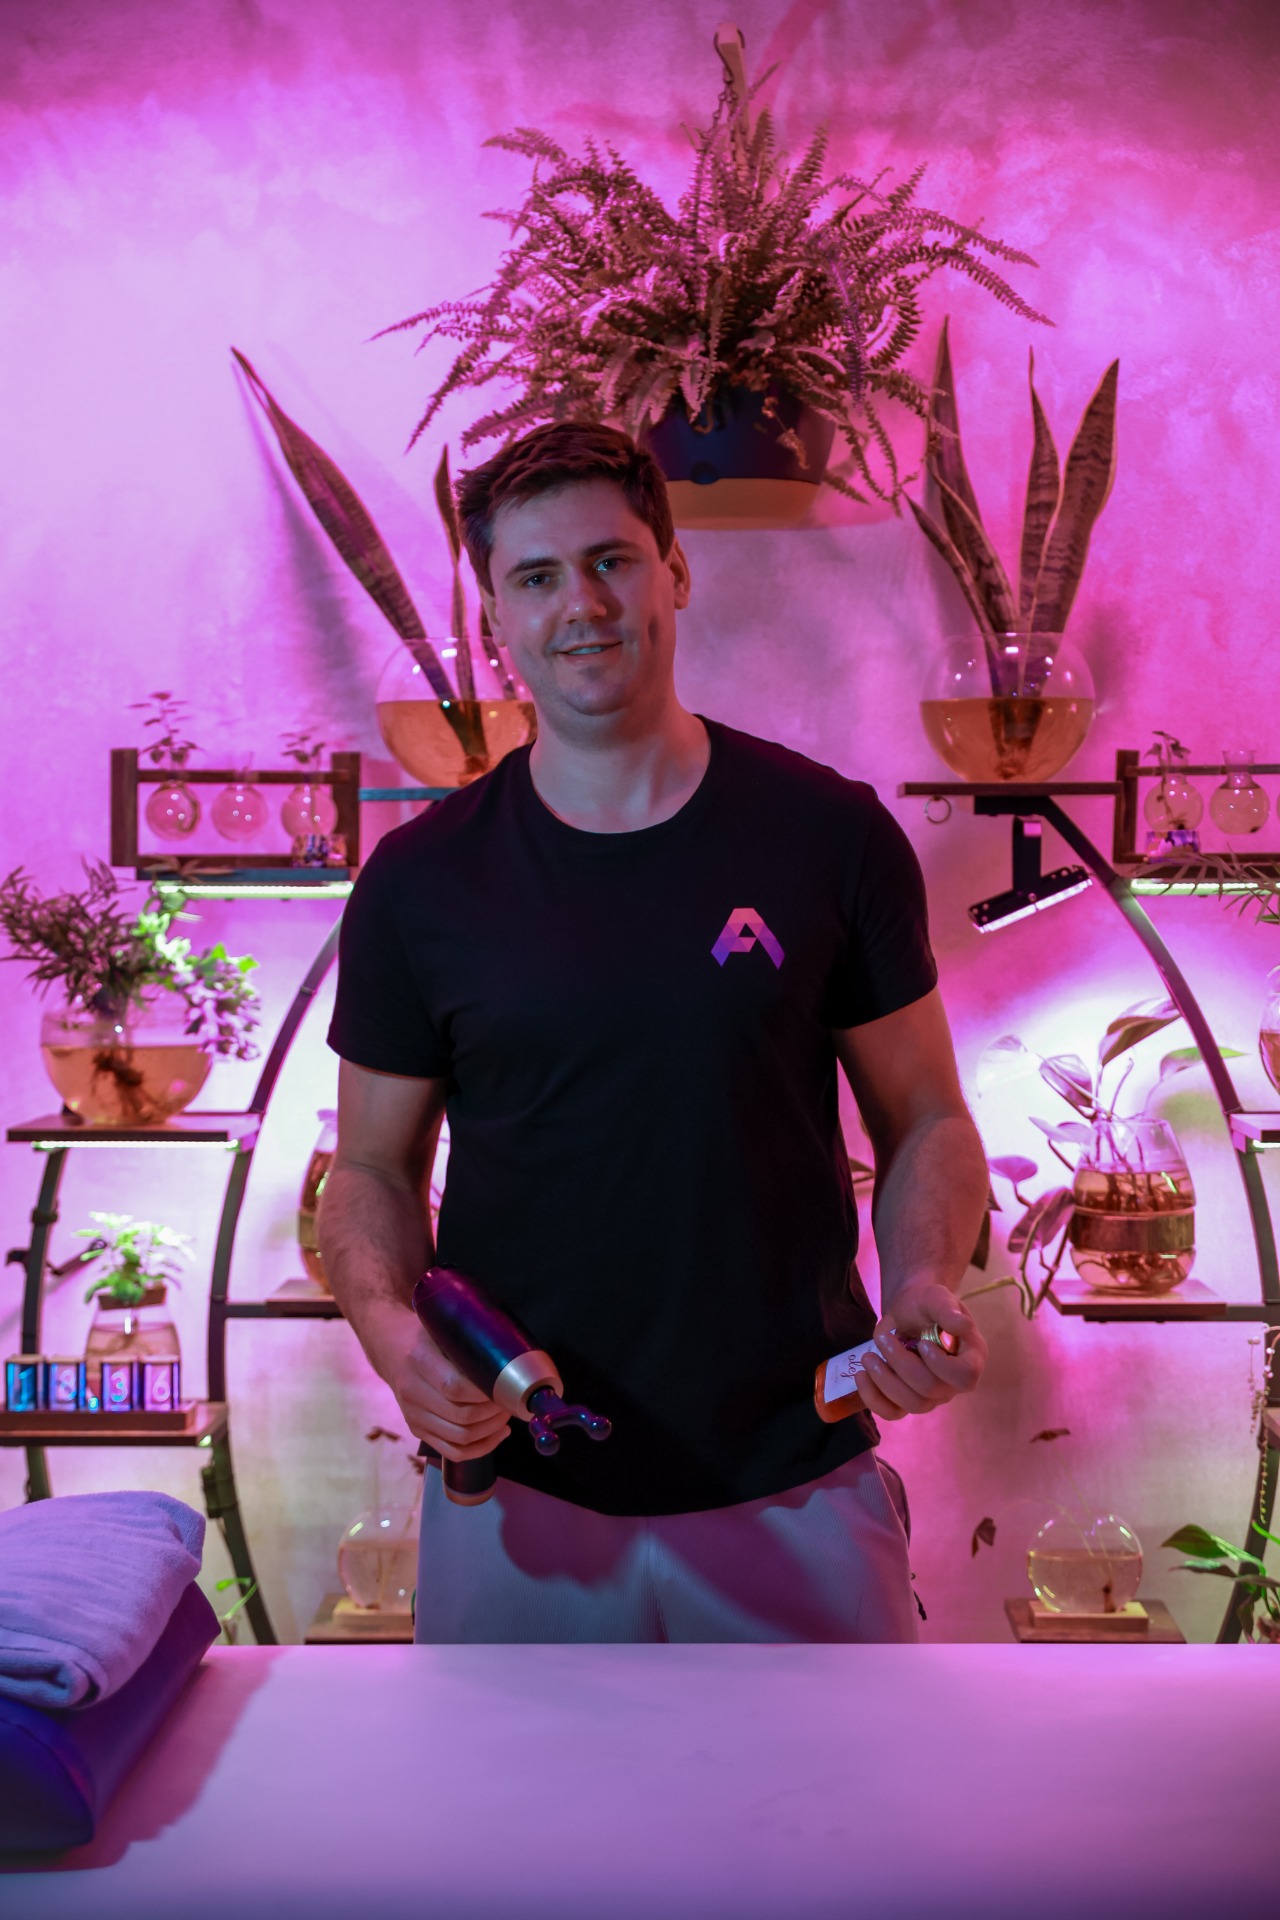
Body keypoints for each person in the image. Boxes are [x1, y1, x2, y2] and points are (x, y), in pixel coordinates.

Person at [320, 421, 990, 1644]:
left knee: (844, 1784)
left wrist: (921, 1281)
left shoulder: (827, 836)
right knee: (506, 1788)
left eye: (610, 561)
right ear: (495, 616)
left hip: (797, 1478)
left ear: (673, 572)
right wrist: (387, 1331)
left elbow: (928, 1117)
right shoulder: (419, 882)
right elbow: (367, 1168)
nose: (580, 604)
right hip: (516, 1496)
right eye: (535, 576)